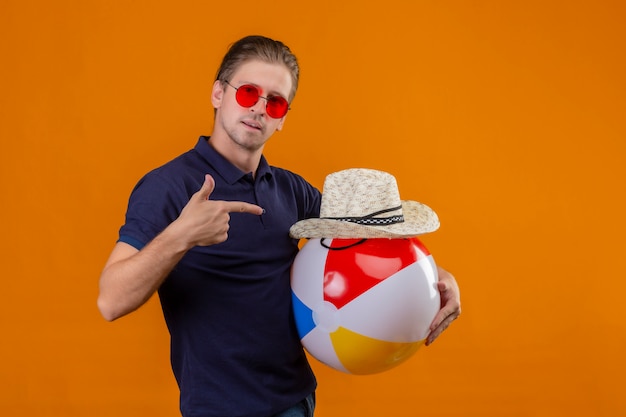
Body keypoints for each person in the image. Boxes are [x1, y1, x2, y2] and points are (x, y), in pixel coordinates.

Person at [98, 35, 461, 417]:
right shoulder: (168, 187)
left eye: (274, 101)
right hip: (219, 408)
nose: (258, 108)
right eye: (248, 92)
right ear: (218, 94)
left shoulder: (291, 190)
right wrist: (182, 235)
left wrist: (439, 277)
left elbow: (367, 241)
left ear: (282, 117)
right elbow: (110, 300)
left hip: (296, 400)